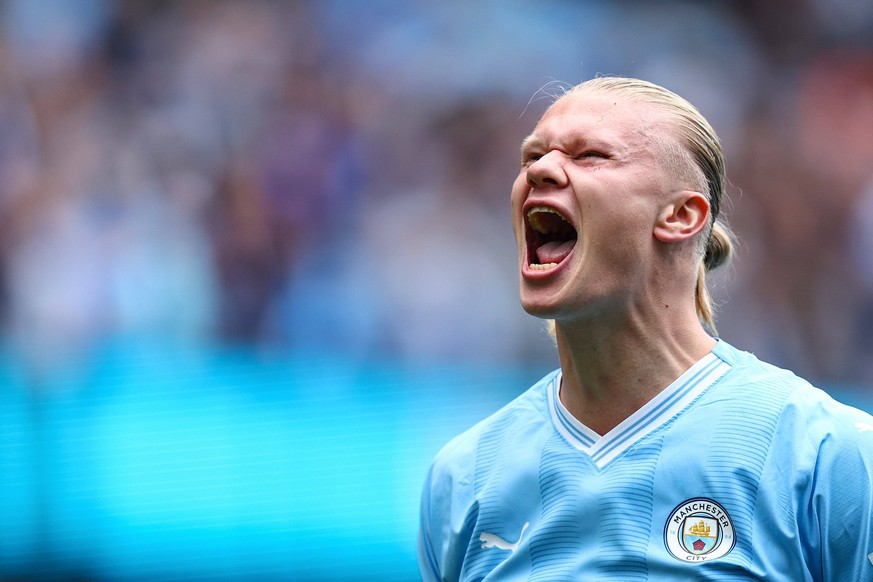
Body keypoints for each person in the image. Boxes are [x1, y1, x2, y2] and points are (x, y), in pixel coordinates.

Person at [417, 76, 873, 581]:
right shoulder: (464, 477)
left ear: (680, 216)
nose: (542, 170)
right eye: (531, 158)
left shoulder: (825, 455)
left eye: (590, 155)